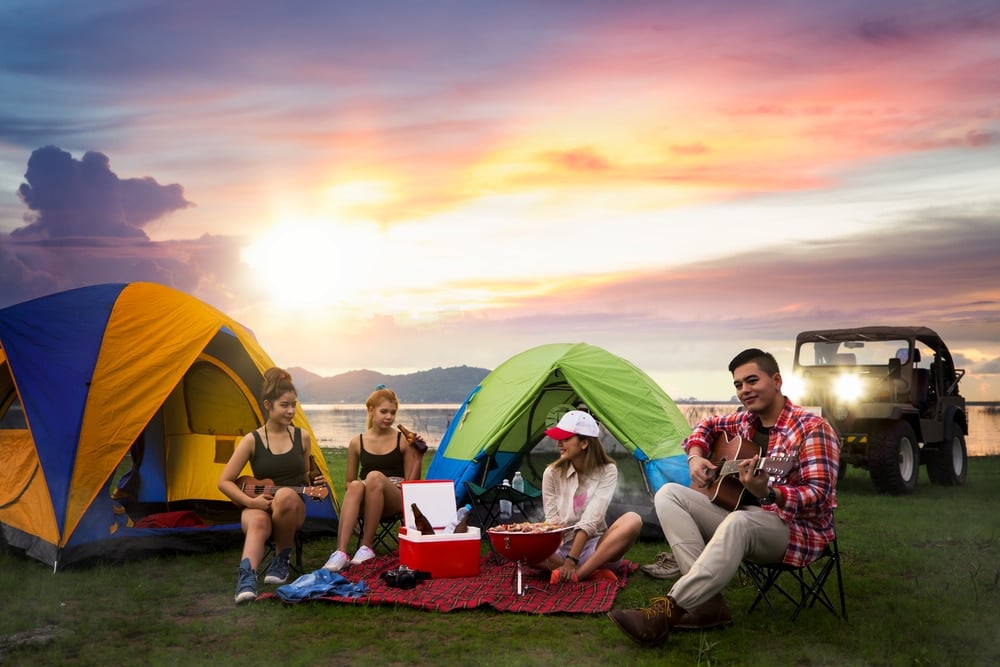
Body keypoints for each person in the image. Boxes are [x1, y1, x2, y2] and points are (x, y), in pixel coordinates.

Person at [607, 348, 839, 646]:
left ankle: (667, 612)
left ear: (777, 380)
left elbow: (819, 496)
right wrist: (694, 457)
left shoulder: (812, 429)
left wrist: (769, 492)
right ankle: (706, 604)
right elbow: (704, 427)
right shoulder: (744, 422)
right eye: (738, 385)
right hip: (742, 520)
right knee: (669, 494)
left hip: (794, 531)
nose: (744, 390)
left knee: (740, 521)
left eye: (752, 381)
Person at [218, 367, 324, 605]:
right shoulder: (252, 440)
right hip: (259, 505)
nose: (291, 411)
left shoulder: (302, 437)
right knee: (256, 520)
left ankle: (281, 557)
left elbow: (307, 477)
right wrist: (250, 502)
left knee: (286, 494)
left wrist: (316, 484)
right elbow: (224, 481)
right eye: (284, 405)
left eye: (294, 405)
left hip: (291, 509)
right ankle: (246, 581)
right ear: (268, 405)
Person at [322, 386, 424, 572]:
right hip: (368, 496)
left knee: (374, 476)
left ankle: (367, 546)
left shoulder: (402, 440)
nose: (389, 417)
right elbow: (348, 482)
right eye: (383, 411)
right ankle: (341, 552)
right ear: (371, 410)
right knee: (354, 485)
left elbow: (412, 485)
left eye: (392, 413)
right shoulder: (356, 442)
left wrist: (418, 457)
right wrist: (361, 488)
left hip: (395, 497)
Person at [536, 410, 642, 583]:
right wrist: (555, 534)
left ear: (584, 443)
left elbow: (591, 519)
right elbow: (551, 519)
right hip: (559, 548)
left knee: (633, 519)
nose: (558, 444)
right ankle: (581, 572)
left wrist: (572, 561)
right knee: (522, 548)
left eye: (565, 438)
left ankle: (578, 574)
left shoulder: (608, 471)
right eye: (558, 438)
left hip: (595, 549)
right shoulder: (551, 473)